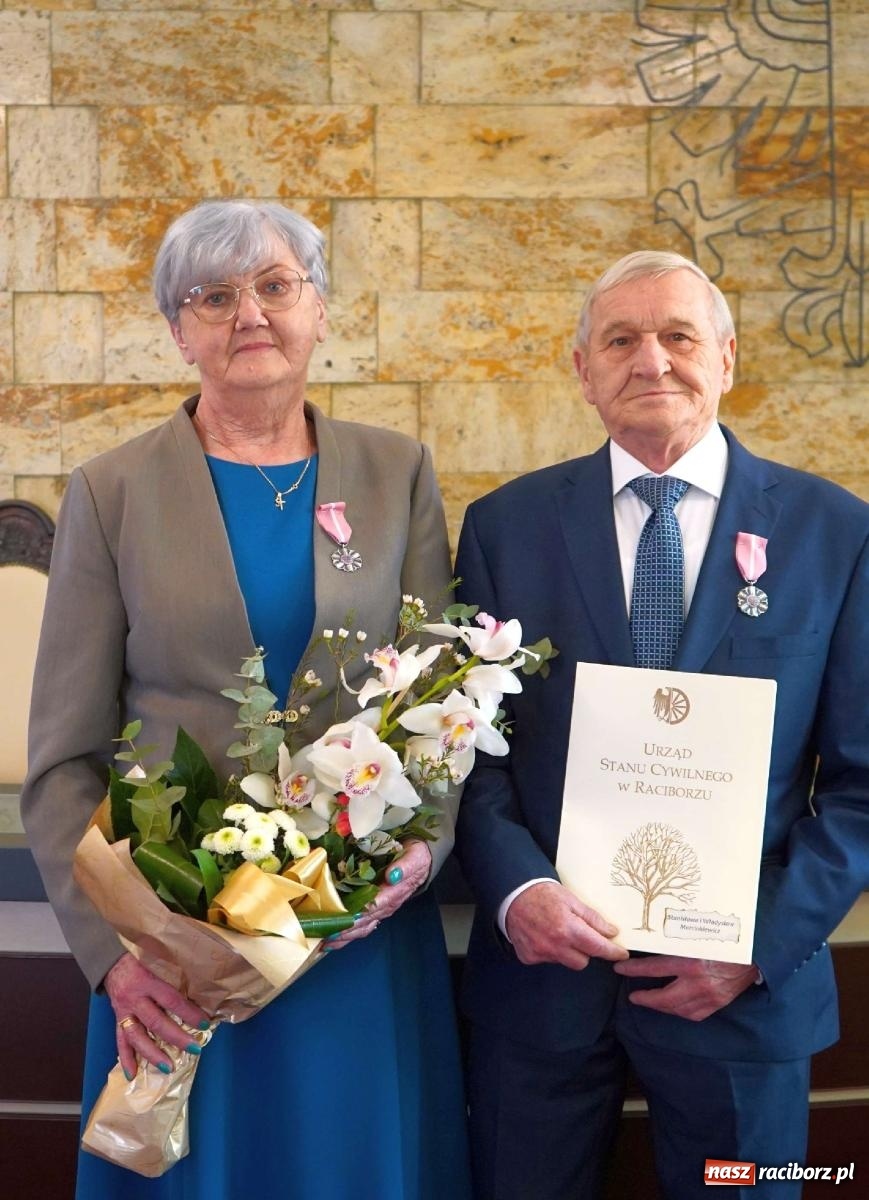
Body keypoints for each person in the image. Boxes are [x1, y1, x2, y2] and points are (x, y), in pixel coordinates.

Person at [21, 199, 471, 1200]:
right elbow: (59, 762)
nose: (250, 314)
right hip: (174, 958)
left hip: (350, 940)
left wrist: (411, 858)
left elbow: (444, 704)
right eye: (214, 296)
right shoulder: (111, 492)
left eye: (276, 286)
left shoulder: (396, 473)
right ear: (178, 330)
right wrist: (113, 958)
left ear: (318, 309)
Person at [453, 250, 869, 1200]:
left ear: (724, 357)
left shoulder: (834, 534)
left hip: (743, 999)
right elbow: (470, 753)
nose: (651, 361)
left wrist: (758, 944)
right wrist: (518, 892)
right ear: (583, 371)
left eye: (678, 336)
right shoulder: (502, 530)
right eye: (621, 340)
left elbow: (859, 786)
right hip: (541, 992)